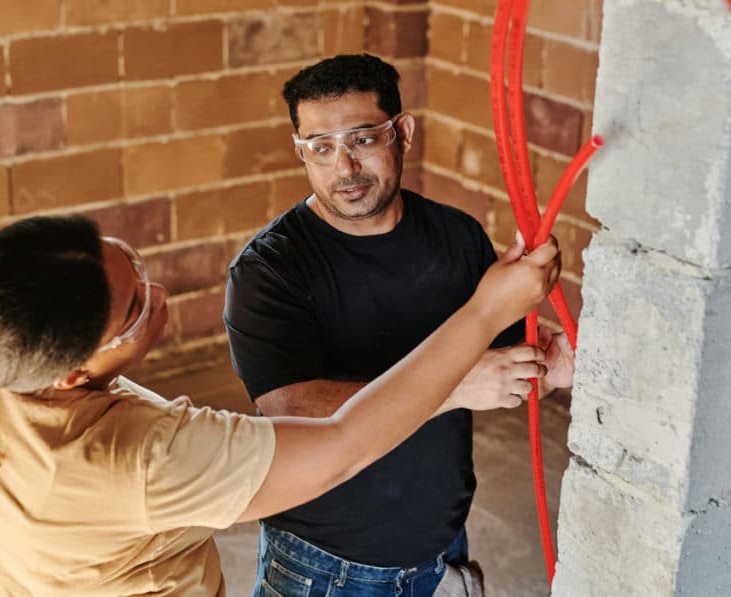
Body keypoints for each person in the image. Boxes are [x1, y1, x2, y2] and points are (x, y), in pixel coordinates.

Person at [0, 214, 560, 596]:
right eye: (135, 307)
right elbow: (342, 446)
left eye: (131, 261)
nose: (159, 289)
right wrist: (483, 316)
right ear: (71, 374)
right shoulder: (139, 460)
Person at [223, 54, 576, 596]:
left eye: (363, 139)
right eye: (320, 147)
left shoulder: (457, 238)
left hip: (441, 547)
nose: (344, 167)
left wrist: (551, 367)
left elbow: (504, 371)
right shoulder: (268, 270)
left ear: (402, 132)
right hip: (327, 566)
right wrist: (459, 386)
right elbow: (295, 412)